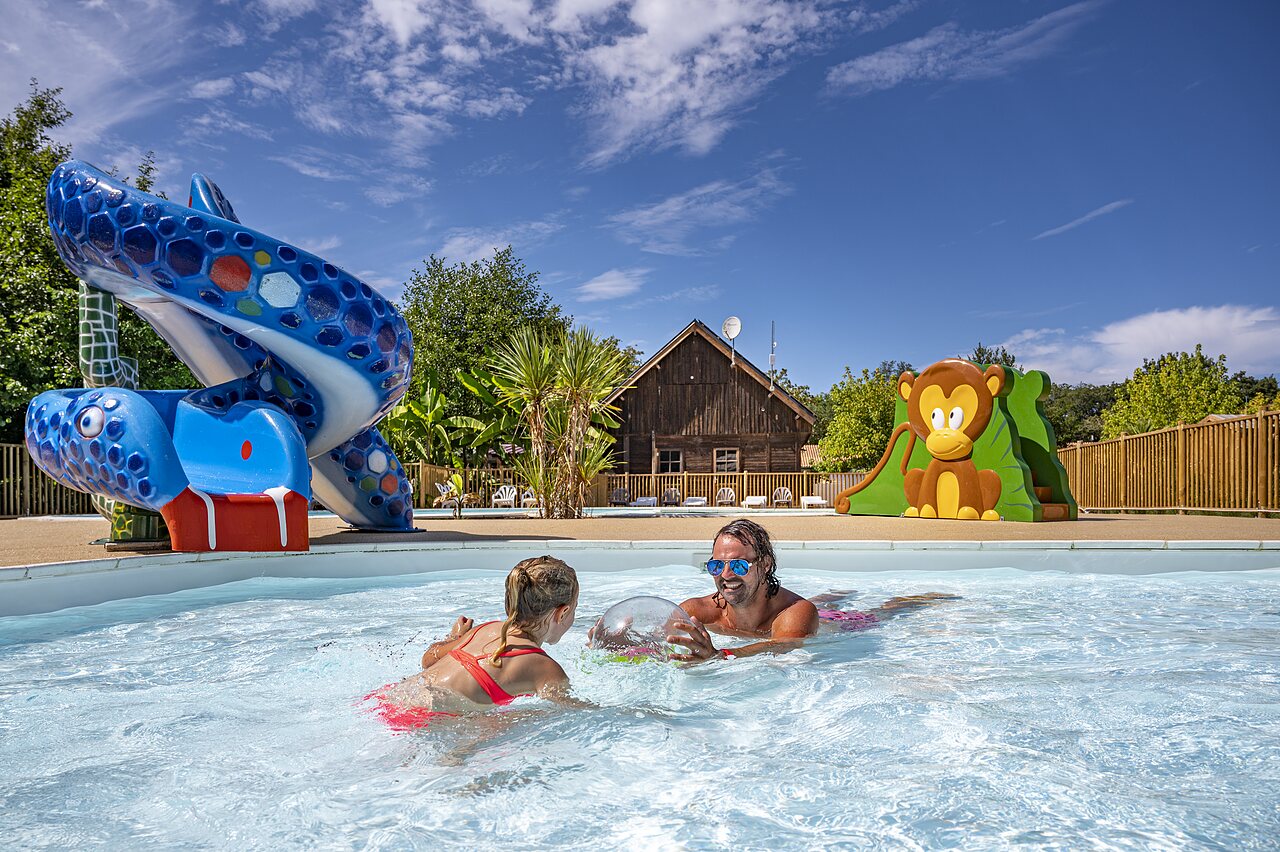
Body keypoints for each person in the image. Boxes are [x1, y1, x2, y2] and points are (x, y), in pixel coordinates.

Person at [668, 518, 957, 663]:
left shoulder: (798, 614)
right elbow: (656, 635)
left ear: (765, 564)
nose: (726, 575)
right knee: (823, 600)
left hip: (835, 623)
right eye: (717, 566)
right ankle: (839, 590)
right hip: (780, 602)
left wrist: (722, 655)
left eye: (740, 566)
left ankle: (915, 600)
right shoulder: (696, 611)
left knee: (875, 615)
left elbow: (780, 645)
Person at [367, 555, 583, 729]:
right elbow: (573, 713)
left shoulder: (485, 629)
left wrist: (455, 638)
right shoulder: (545, 669)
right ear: (562, 613)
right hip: (427, 721)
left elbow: (427, 659)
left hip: (388, 700)